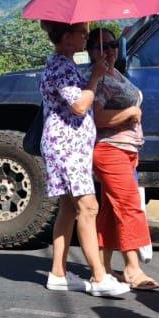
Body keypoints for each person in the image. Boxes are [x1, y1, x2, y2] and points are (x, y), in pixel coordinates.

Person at [39, 21, 129, 299]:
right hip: (67, 146)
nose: (86, 37)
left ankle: (58, 272)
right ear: (67, 37)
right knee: (88, 207)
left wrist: (96, 73)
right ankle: (99, 276)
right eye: (82, 33)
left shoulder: (63, 63)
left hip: (68, 145)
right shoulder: (61, 67)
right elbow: (78, 105)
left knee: (68, 208)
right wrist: (94, 78)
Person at [87, 25, 157, 291]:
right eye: (102, 46)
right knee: (129, 206)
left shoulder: (114, 73)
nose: (110, 50)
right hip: (109, 148)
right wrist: (128, 113)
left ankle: (103, 265)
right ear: (91, 51)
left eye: (114, 44)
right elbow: (97, 117)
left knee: (110, 209)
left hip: (126, 149)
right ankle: (132, 268)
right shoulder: (99, 80)